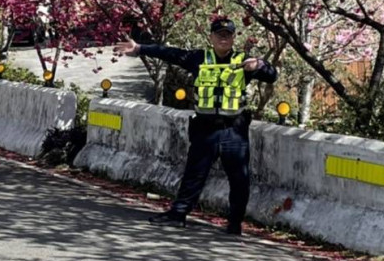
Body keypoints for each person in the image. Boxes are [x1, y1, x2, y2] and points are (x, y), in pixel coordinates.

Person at [113, 17, 278, 235]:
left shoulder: (244, 61)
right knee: (194, 173)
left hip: (233, 129)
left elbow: (271, 76)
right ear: (211, 37)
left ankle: (235, 223)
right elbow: (169, 53)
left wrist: (260, 65)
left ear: (233, 38)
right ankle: (178, 214)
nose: (223, 38)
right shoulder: (199, 58)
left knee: (239, 178)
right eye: (219, 34)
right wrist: (140, 48)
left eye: (227, 35)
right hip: (205, 127)